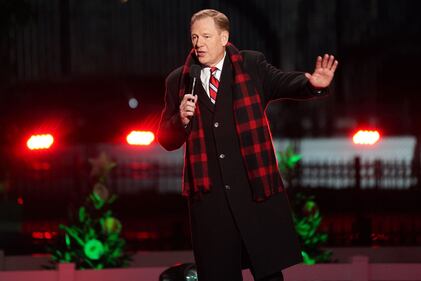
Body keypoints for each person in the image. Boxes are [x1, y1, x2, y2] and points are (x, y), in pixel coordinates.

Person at [157, 9, 338, 281]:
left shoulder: (251, 66)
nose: (199, 43)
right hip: (210, 202)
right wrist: (180, 119)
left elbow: (283, 82)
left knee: (268, 274)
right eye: (194, 36)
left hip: (254, 193)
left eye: (206, 36)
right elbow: (165, 139)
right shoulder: (179, 80)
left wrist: (312, 85)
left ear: (224, 37)